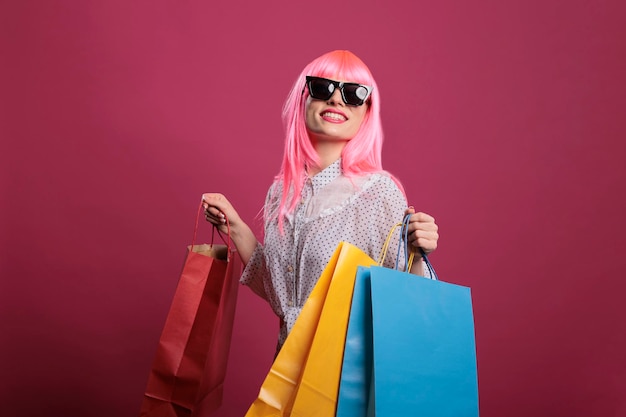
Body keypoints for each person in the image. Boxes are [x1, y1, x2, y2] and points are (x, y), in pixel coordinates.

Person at [202, 50, 439, 352]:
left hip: (345, 376)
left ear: (367, 111)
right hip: (286, 369)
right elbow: (281, 295)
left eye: (353, 93)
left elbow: (409, 299)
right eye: (322, 87)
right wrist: (234, 227)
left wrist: (418, 254)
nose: (337, 99)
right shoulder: (281, 193)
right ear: (305, 99)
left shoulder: (378, 193)